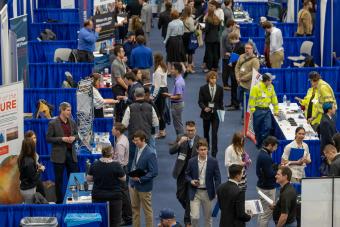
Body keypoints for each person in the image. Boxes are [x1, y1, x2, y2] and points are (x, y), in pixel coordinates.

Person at [169, 121, 202, 226]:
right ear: (185, 130)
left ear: (195, 129)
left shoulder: (200, 140)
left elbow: (205, 155)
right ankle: (191, 209)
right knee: (179, 195)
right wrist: (179, 143)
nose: (190, 132)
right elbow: (171, 151)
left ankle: (187, 221)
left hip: (193, 174)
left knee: (189, 198)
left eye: (192, 130)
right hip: (181, 172)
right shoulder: (180, 137)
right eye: (188, 130)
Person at [46, 102, 79, 203]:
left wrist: (74, 138)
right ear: (62, 110)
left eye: (70, 110)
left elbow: (77, 135)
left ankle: (73, 199)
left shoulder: (72, 122)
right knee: (59, 180)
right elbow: (48, 138)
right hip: (58, 156)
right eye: (68, 110)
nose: (70, 112)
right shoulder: (53, 123)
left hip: (71, 154)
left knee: (73, 178)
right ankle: (59, 201)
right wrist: (62, 139)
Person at [87, 146, 126, 227]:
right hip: (114, 197)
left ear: (102, 153)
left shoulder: (95, 164)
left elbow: (89, 179)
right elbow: (123, 179)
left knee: (99, 220)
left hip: (98, 197)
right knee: (115, 222)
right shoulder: (116, 165)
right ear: (112, 154)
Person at [185, 139, 221, 227]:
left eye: (205, 149)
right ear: (197, 150)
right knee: (194, 217)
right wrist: (191, 181)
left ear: (207, 149)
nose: (203, 151)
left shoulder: (213, 161)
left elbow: (217, 177)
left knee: (208, 218)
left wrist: (217, 191)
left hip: (207, 193)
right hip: (195, 192)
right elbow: (186, 175)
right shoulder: (191, 161)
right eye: (201, 149)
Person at [122, 87, 159, 169]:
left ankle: (130, 176)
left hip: (133, 137)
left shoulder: (130, 107)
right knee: (146, 157)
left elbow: (124, 124)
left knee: (131, 158)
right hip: (146, 137)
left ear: (135, 95)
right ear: (144, 95)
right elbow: (156, 123)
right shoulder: (150, 107)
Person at [129, 130, 158, 227]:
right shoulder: (138, 148)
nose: (135, 142)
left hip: (144, 187)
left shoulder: (150, 153)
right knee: (135, 210)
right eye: (134, 140)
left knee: (147, 211)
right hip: (134, 185)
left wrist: (141, 179)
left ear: (143, 140)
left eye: (137, 140)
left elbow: (154, 172)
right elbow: (135, 163)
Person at [249, 73, 279, 148]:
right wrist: (253, 110)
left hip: (267, 110)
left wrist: (276, 110)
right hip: (258, 110)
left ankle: (263, 143)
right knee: (257, 129)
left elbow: (274, 98)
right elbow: (252, 100)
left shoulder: (271, 87)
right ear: (266, 81)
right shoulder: (256, 88)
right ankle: (259, 143)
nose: (271, 82)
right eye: (270, 80)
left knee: (268, 127)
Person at [198, 71, 224, 157]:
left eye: (215, 78)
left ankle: (214, 152)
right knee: (206, 133)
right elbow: (200, 101)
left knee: (214, 134)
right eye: (212, 78)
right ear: (208, 79)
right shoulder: (202, 88)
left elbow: (221, 103)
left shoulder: (220, 89)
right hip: (206, 114)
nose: (214, 80)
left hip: (216, 115)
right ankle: (206, 149)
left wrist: (221, 115)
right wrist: (204, 107)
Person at [112, 123, 132, 225]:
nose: (112, 130)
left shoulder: (120, 144)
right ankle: (127, 216)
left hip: (121, 170)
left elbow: (119, 161)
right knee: (125, 192)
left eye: (113, 129)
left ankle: (128, 218)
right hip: (125, 168)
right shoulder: (123, 138)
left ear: (118, 131)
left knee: (124, 194)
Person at [256, 136, 279, 227]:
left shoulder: (262, 153)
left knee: (262, 213)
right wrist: (278, 171)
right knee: (266, 214)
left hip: (262, 186)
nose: (276, 149)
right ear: (270, 145)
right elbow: (270, 174)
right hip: (267, 189)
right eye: (275, 146)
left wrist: (276, 166)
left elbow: (267, 169)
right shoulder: (266, 157)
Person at [235, 41, 260, 120]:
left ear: (252, 49)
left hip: (248, 85)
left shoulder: (255, 60)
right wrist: (237, 77)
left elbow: (253, 73)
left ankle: (245, 118)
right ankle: (245, 115)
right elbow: (237, 67)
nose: (247, 50)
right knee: (240, 100)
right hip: (240, 83)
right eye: (246, 48)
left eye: (249, 48)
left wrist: (242, 78)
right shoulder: (241, 56)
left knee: (247, 103)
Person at [17, 137, 45, 204]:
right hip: (28, 190)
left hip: (24, 188)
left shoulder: (21, 158)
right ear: (32, 147)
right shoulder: (29, 162)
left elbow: (28, 173)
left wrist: (35, 167)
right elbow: (33, 178)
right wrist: (41, 170)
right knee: (30, 209)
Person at [224, 32, 245, 111]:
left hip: (236, 70)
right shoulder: (237, 45)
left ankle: (235, 104)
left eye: (230, 39)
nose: (229, 41)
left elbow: (240, 58)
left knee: (235, 88)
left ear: (233, 38)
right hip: (234, 68)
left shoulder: (240, 46)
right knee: (233, 87)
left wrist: (231, 56)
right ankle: (233, 103)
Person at [162, 63, 186, 136]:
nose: (171, 70)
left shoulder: (178, 82)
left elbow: (179, 96)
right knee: (177, 123)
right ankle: (179, 139)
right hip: (177, 104)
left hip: (176, 105)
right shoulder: (179, 79)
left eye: (172, 69)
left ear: (177, 70)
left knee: (178, 124)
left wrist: (169, 96)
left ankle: (181, 141)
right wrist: (169, 95)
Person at [152, 53, 168, 139]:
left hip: (160, 92)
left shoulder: (158, 70)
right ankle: (163, 131)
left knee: (159, 112)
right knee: (162, 111)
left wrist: (153, 96)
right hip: (164, 89)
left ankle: (161, 132)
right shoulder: (164, 67)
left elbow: (157, 86)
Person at [220, 19, 239, 90]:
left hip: (224, 53)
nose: (235, 27)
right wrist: (234, 51)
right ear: (231, 25)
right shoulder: (227, 34)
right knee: (226, 71)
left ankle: (225, 84)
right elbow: (228, 46)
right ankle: (225, 85)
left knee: (226, 70)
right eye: (234, 25)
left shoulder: (225, 31)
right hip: (226, 55)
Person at [111, 45, 128, 122]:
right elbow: (118, 79)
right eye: (122, 51)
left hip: (122, 86)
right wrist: (127, 87)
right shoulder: (115, 64)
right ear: (118, 53)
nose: (124, 52)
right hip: (118, 87)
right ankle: (118, 125)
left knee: (122, 107)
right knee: (119, 107)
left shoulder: (122, 61)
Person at [204, 3, 221, 71]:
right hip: (216, 38)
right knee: (216, 53)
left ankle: (209, 67)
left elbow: (206, 30)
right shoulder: (217, 19)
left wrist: (203, 29)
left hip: (209, 39)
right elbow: (219, 29)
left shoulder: (208, 19)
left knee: (209, 53)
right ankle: (215, 66)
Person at [181, 6, 196, 74]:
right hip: (189, 36)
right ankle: (189, 68)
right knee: (190, 52)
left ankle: (184, 66)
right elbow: (192, 29)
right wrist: (196, 25)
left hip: (183, 35)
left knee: (184, 51)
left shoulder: (181, 18)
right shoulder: (190, 19)